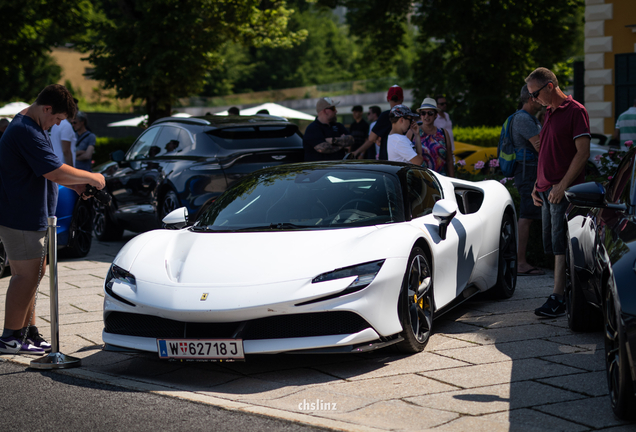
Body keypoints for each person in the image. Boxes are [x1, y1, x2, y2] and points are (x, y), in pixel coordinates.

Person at [0, 84, 106, 355]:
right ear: (47, 108)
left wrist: (75, 186)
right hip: (21, 214)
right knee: (25, 276)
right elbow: (55, 170)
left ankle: (27, 332)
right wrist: (91, 177)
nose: (57, 124)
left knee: (34, 274)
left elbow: (47, 171)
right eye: (57, 118)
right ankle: (11, 337)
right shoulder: (26, 130)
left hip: (30, 213)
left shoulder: (33, 127)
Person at [526, 67, 591, 317]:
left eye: (535, 93)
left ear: (550, 87)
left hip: (561, 191)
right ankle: (561, 292)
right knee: (553, 247)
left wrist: (562, 186)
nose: (533, 99)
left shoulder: (576, 111)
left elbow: (583, 153)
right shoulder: (549, 112)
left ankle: (558, 298)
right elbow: (547, 152)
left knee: (561, 246)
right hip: (545, 190)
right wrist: (536, 184)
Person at [510, 85, 544, 276]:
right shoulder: (523, 118)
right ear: (531, 98)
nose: (541, 100)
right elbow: (540, 146)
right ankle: (520, 262)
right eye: (538, 97)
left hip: (529, 170)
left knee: (528, 215)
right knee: (526, 215)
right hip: (527, 172)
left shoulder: (528, 118)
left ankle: (521, 260)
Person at [353, 85, 416, 160]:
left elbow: (371, 138)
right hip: (408, 159)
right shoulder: (409, 115)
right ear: (402, 99)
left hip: (387, 160)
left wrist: (357, 152)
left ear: (387, 99)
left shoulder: (386, 115)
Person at [302, 97, 353, 161]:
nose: (336, 111)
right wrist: (342, 144)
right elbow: (322, 148)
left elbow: (351, 139)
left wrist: (333, 140)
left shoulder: (338, 126)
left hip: (338, 168)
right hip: (320, 169)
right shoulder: (312, 128)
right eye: (333, 108)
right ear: (325, 111)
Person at [416, 98, 454, 177]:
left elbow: (449, 160)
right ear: (420, 115)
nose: (426, 116)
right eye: (423, 113)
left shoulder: (443, 133)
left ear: (436, 115)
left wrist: (452, 180)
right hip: (420, 180)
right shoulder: (413, 132)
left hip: (441, 180)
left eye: (430, 113)